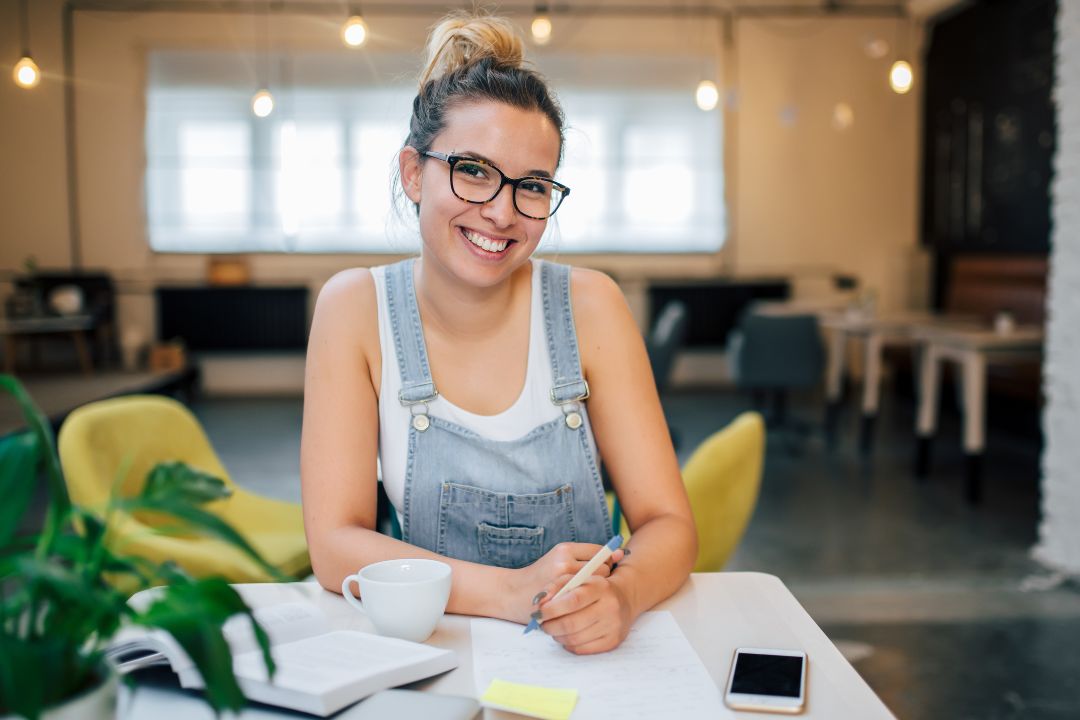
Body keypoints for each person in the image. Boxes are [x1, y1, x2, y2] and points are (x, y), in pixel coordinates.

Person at [301, 12, 697, 655]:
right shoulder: (355, 308)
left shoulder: (592, 305)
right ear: (412, 173)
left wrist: (622, 597)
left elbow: (669, 525)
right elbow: (334, 545)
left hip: (584, 661)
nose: (502, 212)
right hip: (431, 656)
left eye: (532, 186)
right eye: (474, 170)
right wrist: (513, 593)